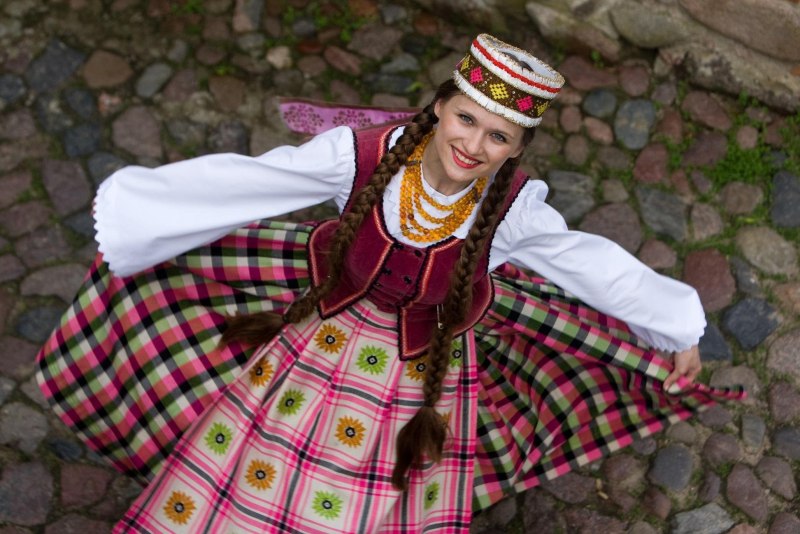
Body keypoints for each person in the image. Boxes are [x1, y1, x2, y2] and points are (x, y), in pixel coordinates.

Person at [36, 34, 742, 533]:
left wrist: (674, 325)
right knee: (265, 452)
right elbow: (258, 178)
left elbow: (592, 264)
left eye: (498, 137)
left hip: (421, 368)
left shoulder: (516, 211)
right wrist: (144, 216)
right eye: (466, 119)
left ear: (519, 147)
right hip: (321, 334)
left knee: (359, 490)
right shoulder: (360, 155)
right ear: (439, 108)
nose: (473, 145)